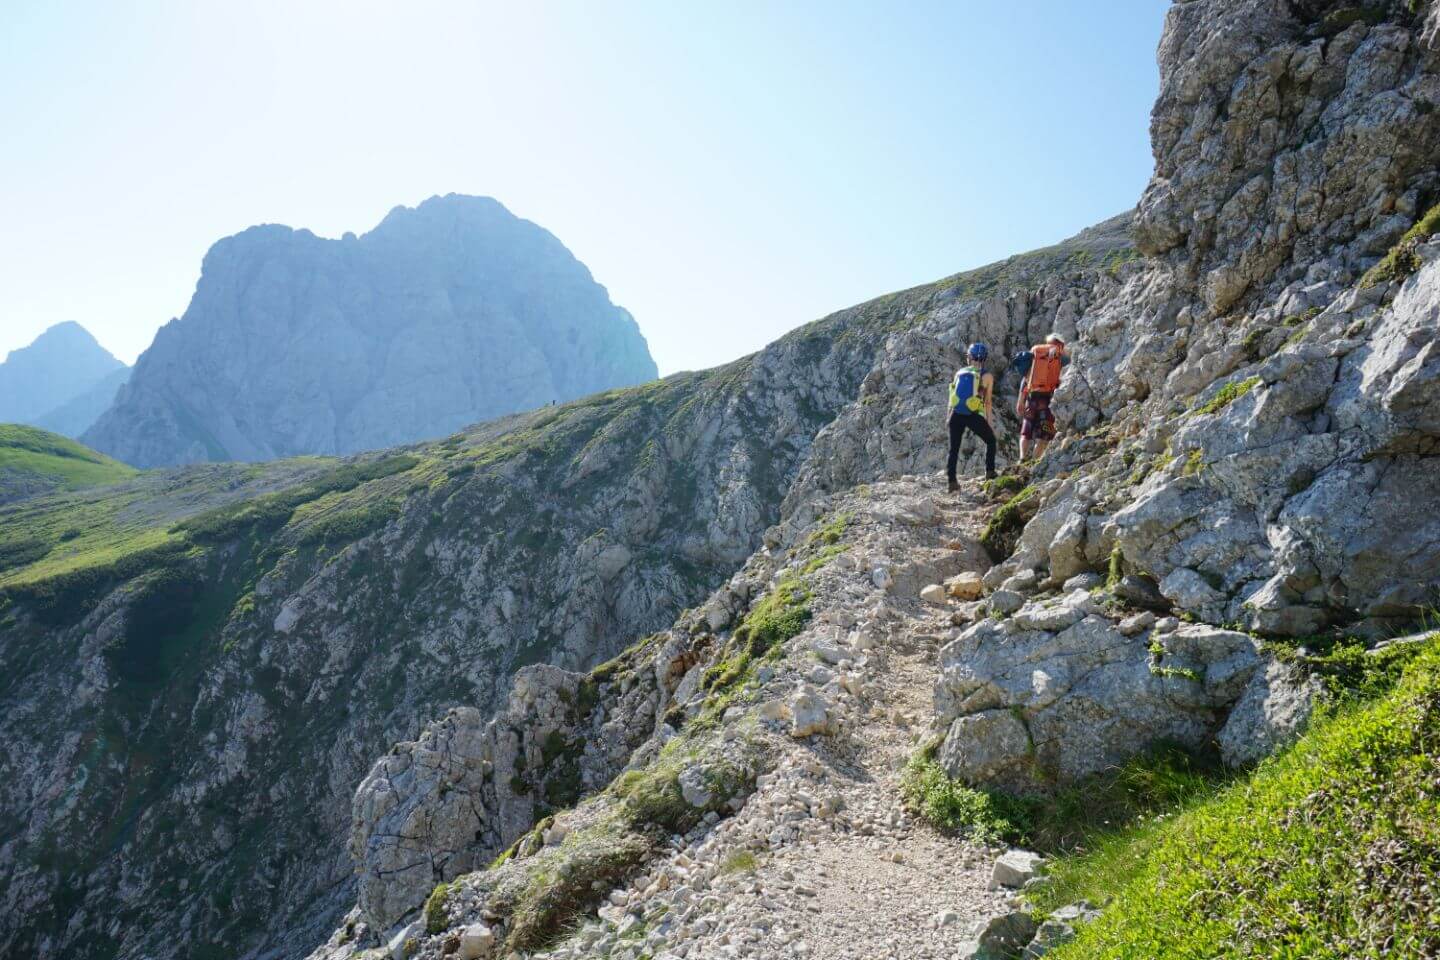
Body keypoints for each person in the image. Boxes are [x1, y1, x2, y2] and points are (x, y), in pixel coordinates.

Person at [946, 342, 997, 491]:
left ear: (970, 357)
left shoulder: (960, 372)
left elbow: (952, 395)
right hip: (972, 415)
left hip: (955, 414)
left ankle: (952, 482)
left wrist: (948, 416)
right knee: (991, 441)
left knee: (954, 448)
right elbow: (987, 402)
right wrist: (989, 422)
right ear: (984, 358)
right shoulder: (987, 376)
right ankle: (990, 472)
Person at [1011, 334, 1071, 462]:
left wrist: (1020, 402)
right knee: (1044, 435)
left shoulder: (1036, 356)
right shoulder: (1061, 358)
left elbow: (1025, 380)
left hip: (1031, 399)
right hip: (1047, 401)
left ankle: (1022, 458)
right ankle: (1034, 460)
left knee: (1026, 432)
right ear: (1060, 345)